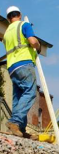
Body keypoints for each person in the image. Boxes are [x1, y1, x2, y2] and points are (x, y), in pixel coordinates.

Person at [3, 6, 41, 138]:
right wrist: (38, 46)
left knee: (18, 97)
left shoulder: (7, 33)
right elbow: (32, 41)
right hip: (24, 63)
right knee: (30, 92)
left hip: (12, 68)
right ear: (19, 14)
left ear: (8, 19)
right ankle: (15, 121)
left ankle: (21, 129)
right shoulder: (24, 25)